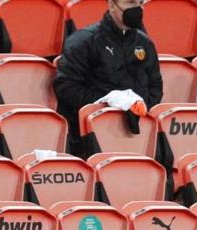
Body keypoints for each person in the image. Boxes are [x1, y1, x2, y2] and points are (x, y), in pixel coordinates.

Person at [53, 0, 163, 158]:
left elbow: (155, 85)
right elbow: (66, 87)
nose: (137, 9)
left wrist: (138, 107)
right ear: (111, 5)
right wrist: (106, 105)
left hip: (138, 131)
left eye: (140, 3)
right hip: (92, 136)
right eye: (131, 3)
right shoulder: (83, 41)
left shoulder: (145, 43)